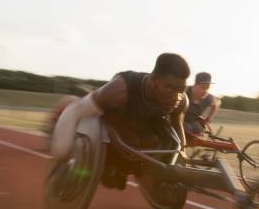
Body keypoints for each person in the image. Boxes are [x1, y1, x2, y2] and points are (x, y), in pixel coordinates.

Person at [49, 52, 190, 191]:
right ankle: (68, 168)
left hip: (141, 122)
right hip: (110, 114)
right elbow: (76, 111)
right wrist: (61, 153)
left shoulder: (180, 101)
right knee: (70, 147)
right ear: (154, 82)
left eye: (181, 90)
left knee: (154, 141)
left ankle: (125, 169)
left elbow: (177, 125)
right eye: (170, 88)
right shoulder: (118, 90)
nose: (176, 97)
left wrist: (182, 157)